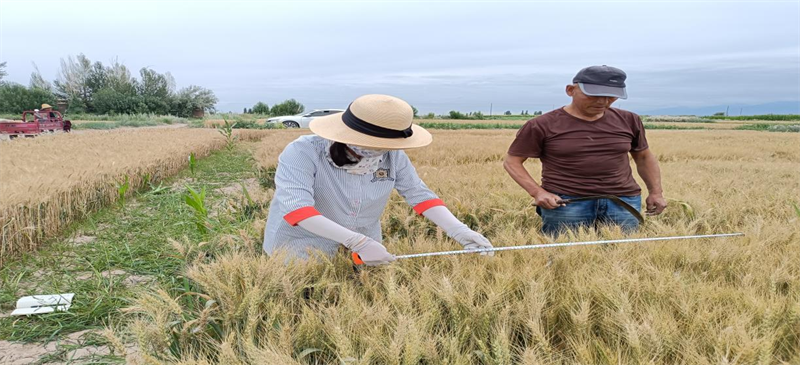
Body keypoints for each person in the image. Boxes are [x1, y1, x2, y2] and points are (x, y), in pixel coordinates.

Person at [263, 94, 493, 265]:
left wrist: (459, 231)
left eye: (389, 145)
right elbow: (297, 210)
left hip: (367, 249)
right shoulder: (303, 152)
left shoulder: (393, 156)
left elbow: (420, 195)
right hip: (302, 247)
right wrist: (358, 242)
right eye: (376, 144)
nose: (384, 151)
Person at [503, 65, 667, 235]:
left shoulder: (629, 120)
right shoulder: (542, 124)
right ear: (570, 90)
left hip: (623, 201)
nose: (602, 102)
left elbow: (644, 157)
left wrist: (656, 192)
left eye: (611, 96)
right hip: (567, 203)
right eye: (594, 95)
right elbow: (512, 162)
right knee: (565, 256)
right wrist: (537, 192)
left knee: (622, 255)